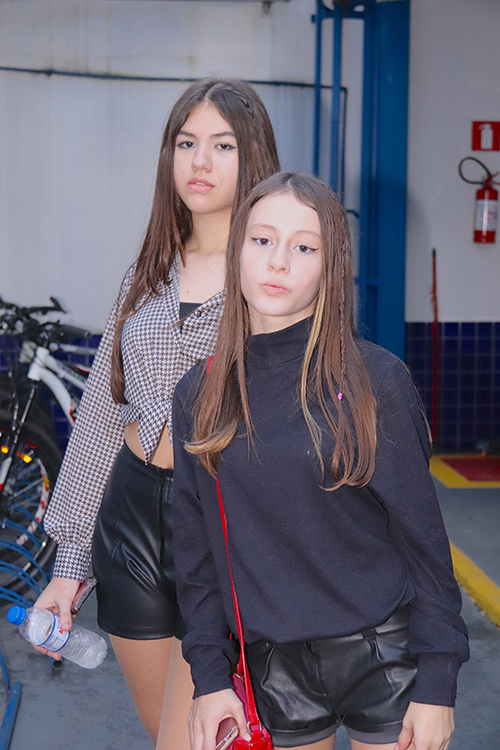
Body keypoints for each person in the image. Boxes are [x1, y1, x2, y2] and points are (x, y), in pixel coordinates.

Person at [171, 172, 469, 750]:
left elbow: (426, 547)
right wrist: (210, 678)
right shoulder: (200, 395)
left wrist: (438, 683)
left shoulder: (373, 381)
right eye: (262, 239)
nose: (278, 261)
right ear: (237, 250)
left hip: (384, 655)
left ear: (330, 267)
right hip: (273, 666)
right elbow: (198, 556)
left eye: (304, 247)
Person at [37, 79, 280, 748]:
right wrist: (69, 562)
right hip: (135, 519)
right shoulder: (148, 271)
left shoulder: (276, 270)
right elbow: (100, 413)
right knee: (167, 735)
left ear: (254, 154)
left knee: (200, 736)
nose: (200, 161)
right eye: (186, 142)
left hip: (229, 526)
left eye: (222, 145)